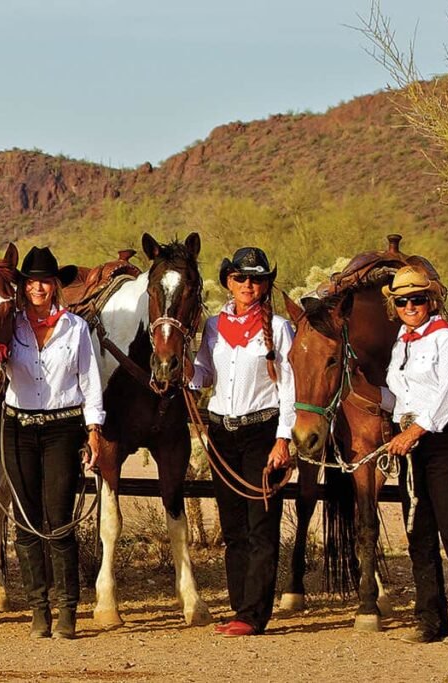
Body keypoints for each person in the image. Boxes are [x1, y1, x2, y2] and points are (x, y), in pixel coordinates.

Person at [0, 246, 104, 639]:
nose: (38, 287)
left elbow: (90, 382)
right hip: (18, 427)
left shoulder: (76, 328)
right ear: (24, 286)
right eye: (31, 280)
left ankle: (67, 609)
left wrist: (94, 430)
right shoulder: (9, 325)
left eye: (45, 281)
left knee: (59, 520)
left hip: (62, 427)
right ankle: (39, 609)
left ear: (55, 286)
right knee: (25, 521)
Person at [189, 246, 295, 637]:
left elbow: (289, 389)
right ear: (229, 282)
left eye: (256, 278)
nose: (248, 284)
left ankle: (253, 615)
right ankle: (239, 608)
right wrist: (187, 371)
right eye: (240, 277)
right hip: (221, 433)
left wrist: (283, 440)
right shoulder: (213, 326)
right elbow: (203, 374)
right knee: (233, 527)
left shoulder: (281, 329)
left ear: (265, 284)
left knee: (261, 526)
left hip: (262, 433)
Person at [380, 265, 448, 646]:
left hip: (445, 441)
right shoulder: (402, 342)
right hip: (412, 445)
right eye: (403, 300)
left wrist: (414, 431)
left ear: (429, 300)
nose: (410, 306)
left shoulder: (444, 339)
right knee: (418, 536)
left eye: (418, 299)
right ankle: (430, 620)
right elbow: (398, 397)